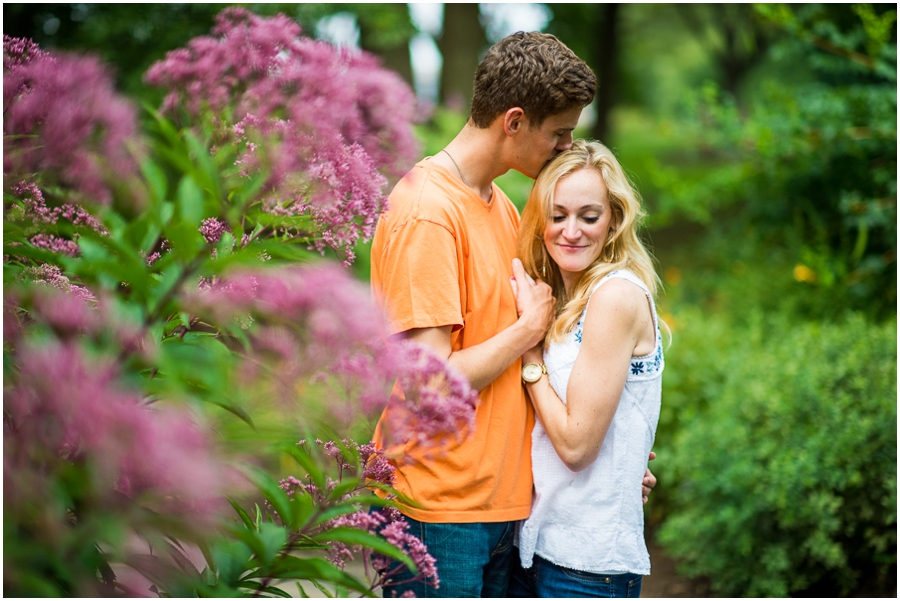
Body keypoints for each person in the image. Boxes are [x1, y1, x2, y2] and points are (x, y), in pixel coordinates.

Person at [369, 32, 655, 597]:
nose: (567, 146)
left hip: (509, 510)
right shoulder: (427, 212)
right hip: (441, 512)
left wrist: (612, 463)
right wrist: (526, 331)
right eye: (560, 132)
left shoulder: (501, 206)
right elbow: (430, 381)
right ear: (515, 121)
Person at [507, 139, 664, 598]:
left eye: (589, 216)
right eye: (557, 216)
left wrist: (530, 360)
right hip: (536, 546)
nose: (571, 231)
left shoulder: (614, 296)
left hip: (587, 567)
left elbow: (577, 446)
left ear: (613, 219)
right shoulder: (560, 298)